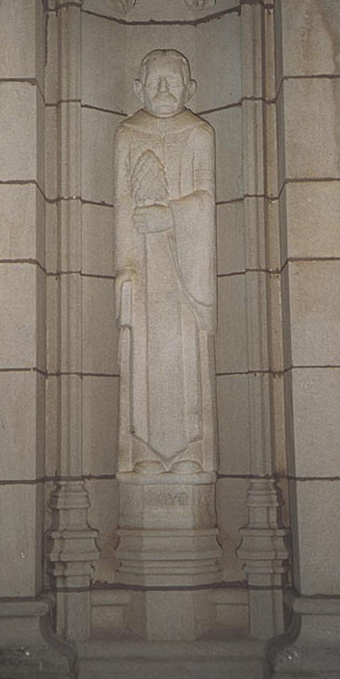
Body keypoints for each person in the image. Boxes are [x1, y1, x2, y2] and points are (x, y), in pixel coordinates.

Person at [115, 49, 217, 476]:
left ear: (189, 89)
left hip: (184, 275)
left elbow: (206, 200)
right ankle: (144, 453)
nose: (162, 89)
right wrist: (124, 269)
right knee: (142, 355)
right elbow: (122, 207)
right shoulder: (127, 134)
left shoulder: (199, 135)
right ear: (138, 87)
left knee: (186, 354)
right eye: (154, 80)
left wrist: (171, 215)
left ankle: (192, 451)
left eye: (172, 81)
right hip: (143, 270)